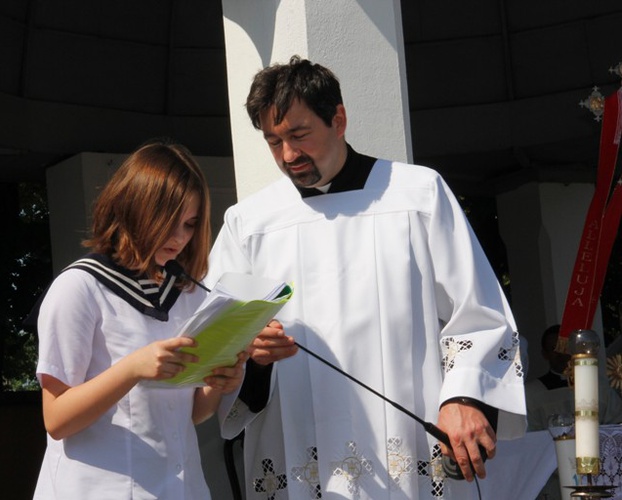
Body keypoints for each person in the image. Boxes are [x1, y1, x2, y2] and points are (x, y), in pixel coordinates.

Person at [208, 56, 526, 499]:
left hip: (410, 442)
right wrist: (254, 353)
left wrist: (464, 398)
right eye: (274, 141)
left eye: (300, 135)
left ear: (338, 119)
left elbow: (478, 313)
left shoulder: (417, 195)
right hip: (296, 447)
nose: (288, 156)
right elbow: (214, 340)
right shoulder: (249, 223)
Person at [32, 140, 247, 500]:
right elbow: (56, 420)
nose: (180, 238)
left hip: (182, 487)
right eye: (170, 222)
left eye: (190, 224)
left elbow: (190, 414)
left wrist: (219, 381)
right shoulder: (79, 287)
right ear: (135, 209)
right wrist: (133, 368)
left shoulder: (189, 293)